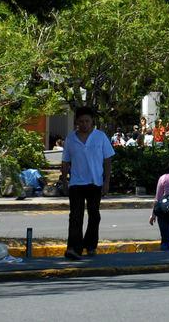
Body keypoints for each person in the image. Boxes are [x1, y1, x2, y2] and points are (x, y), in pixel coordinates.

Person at [60, 106, 115, 260]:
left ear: (92, 122)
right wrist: (64, 181)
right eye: (81, 121)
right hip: (76, 183)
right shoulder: (71, 138)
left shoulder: (100, 137)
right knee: (75, 216)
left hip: (95, 182)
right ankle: (73, 248)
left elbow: (107, 160)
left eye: (87, 121)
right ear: (76, 122)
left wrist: (106, 182)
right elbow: (65, 162)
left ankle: (90, 245)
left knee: (94, 215)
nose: (84, 124)